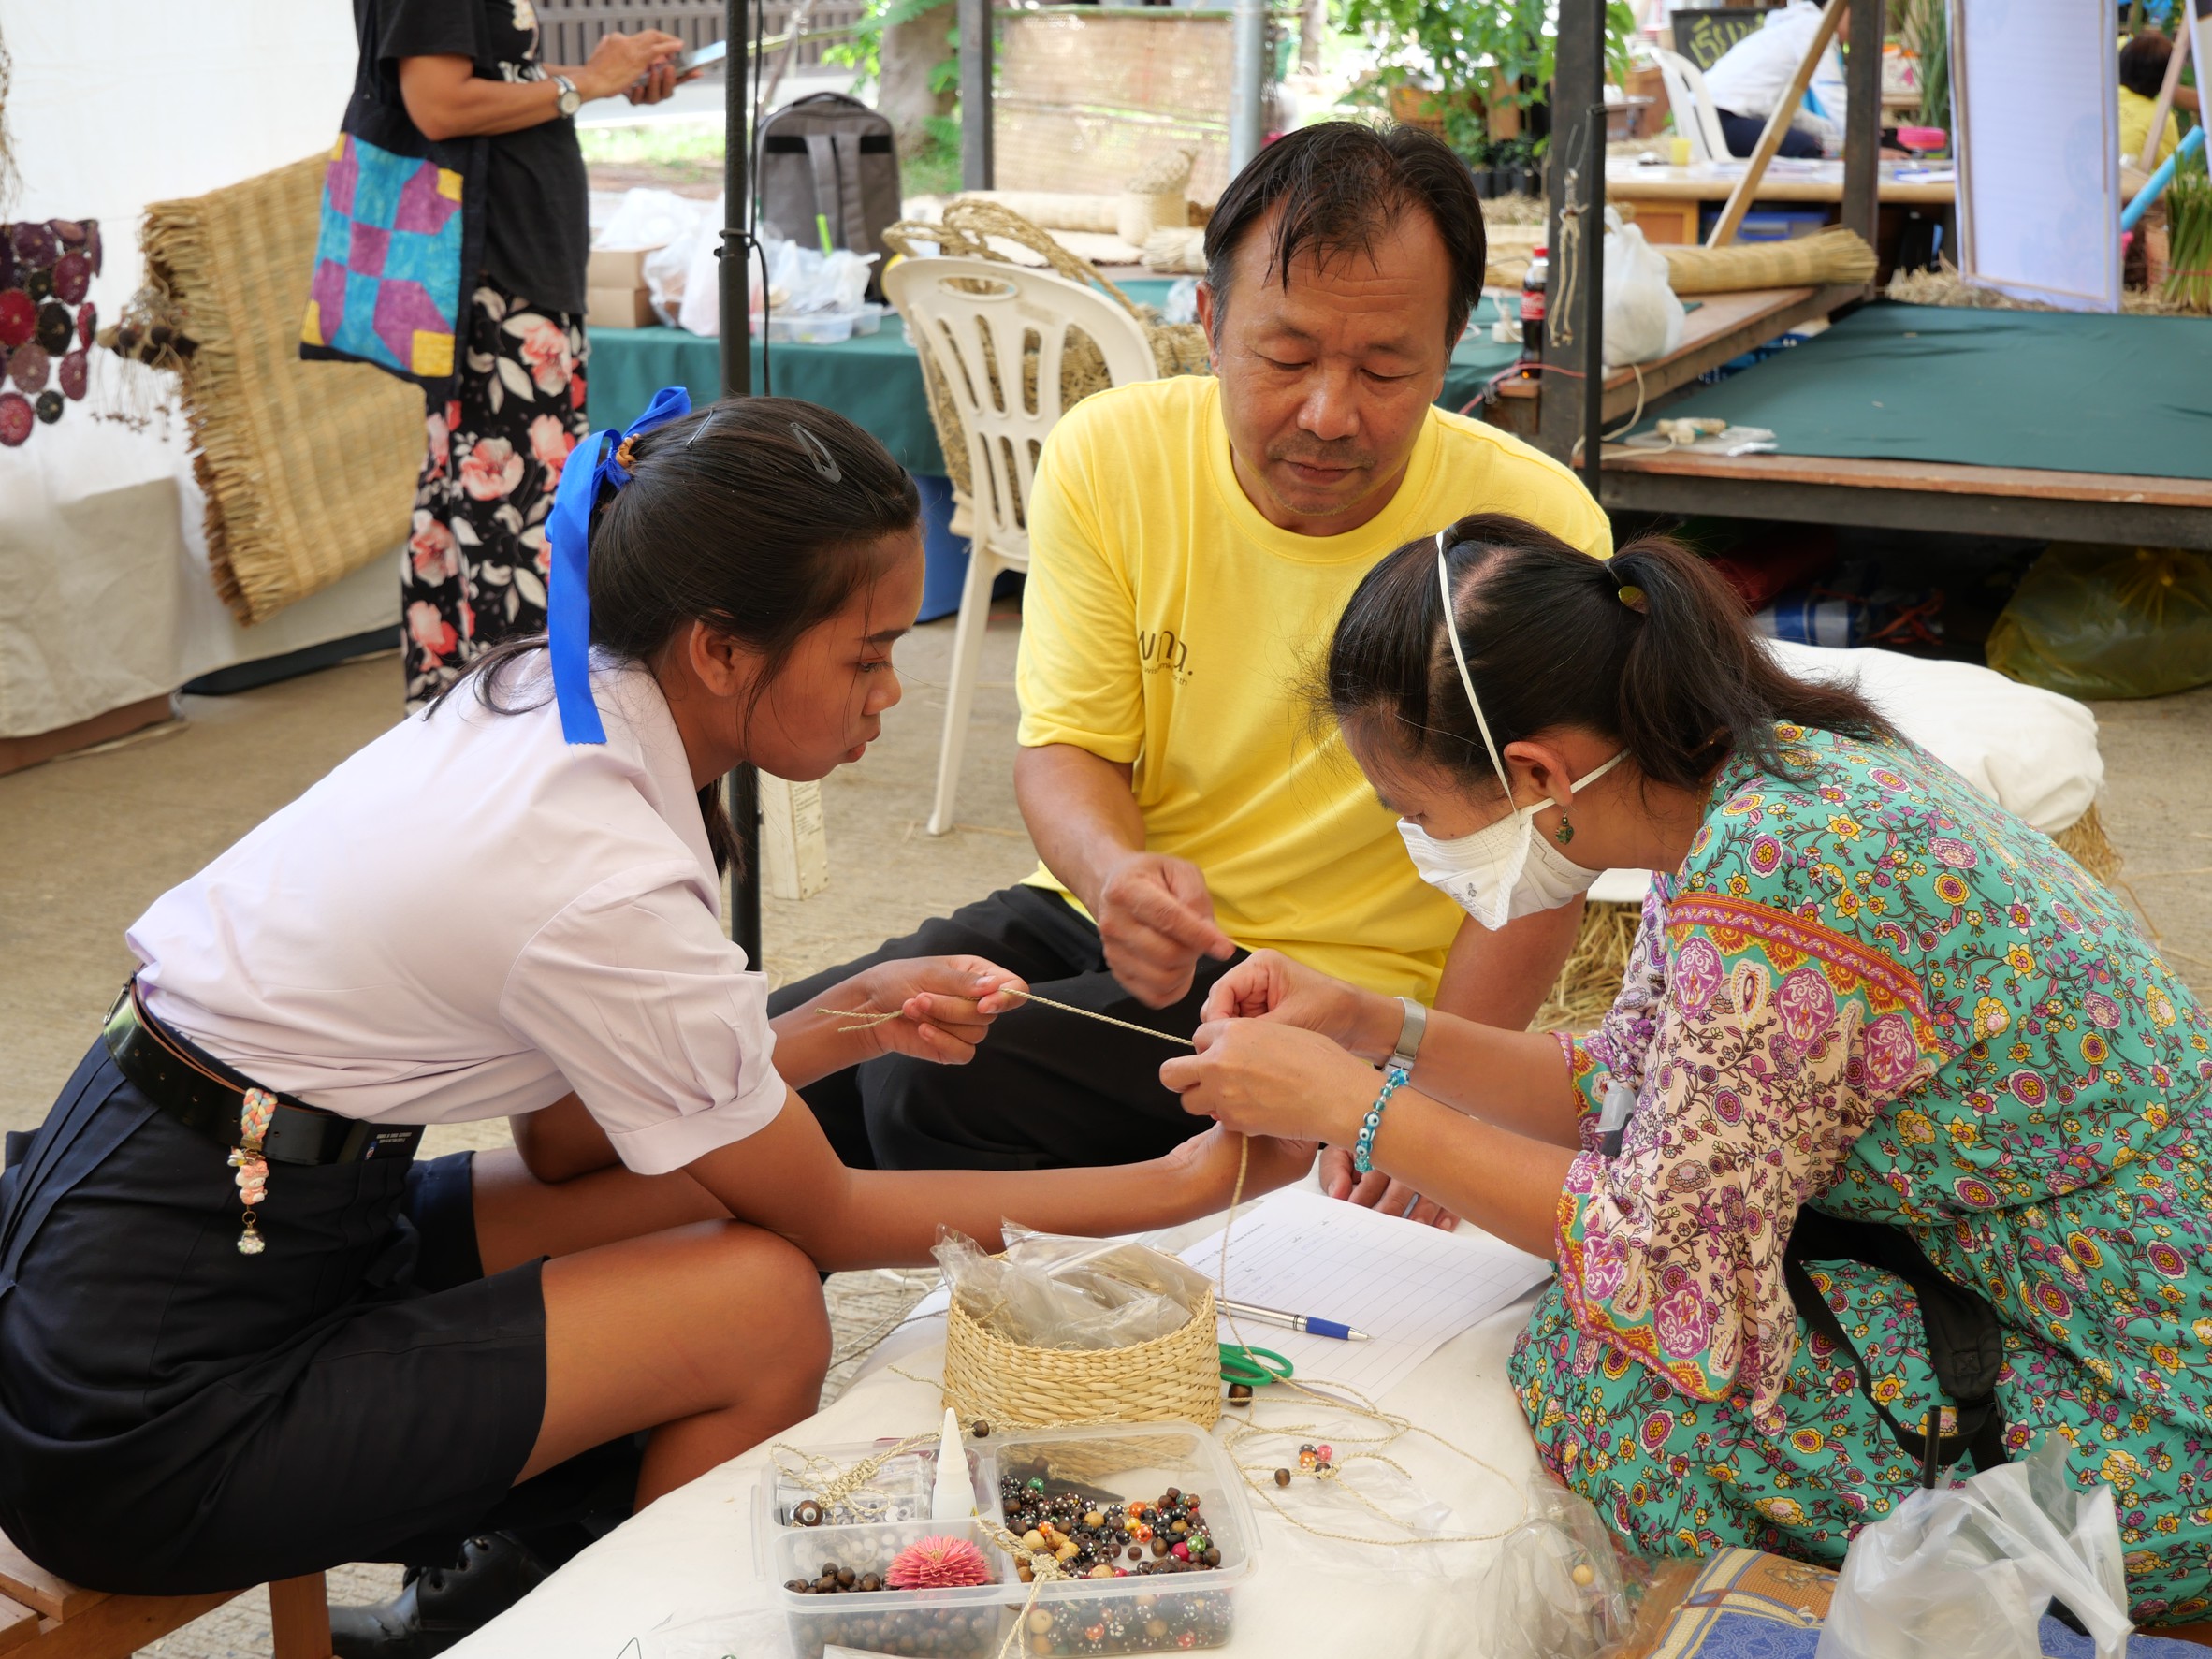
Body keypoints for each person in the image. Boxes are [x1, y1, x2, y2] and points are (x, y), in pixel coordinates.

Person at [0, 395, 1310, 1655]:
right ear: (722, 650)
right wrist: (1188, 1180)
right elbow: (832, 1218)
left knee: (698, 1224)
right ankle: (624, 1628)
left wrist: (840, 1021)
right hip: (145, 1401)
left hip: (194, 1223)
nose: (889, 696)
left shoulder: (549, 694)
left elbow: (574, 1140)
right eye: (868, 653)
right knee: (760, 1304)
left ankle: (533, 1582)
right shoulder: (606, 864)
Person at [1162, 515, 2212, 1621]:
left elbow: (1669, 1260)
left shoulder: (1785, 873)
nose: (1419, 847)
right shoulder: (1753, 786)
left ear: (1534, 775)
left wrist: (1358, 1110)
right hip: (2102, 1302)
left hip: (2157, 1397)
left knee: (1614, 1394)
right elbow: (1632, 1087)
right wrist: (1380, 1027)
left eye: (1416, 815)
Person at [770, 123, 1610, 1225]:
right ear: (1207, 322)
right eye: (1288, 356)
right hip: (1106, 916)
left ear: (1454, 347)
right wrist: (1118, 877)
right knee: (783, 1054)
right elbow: (1067, 745)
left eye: (1386, 367)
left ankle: (1076, 1319)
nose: (1328, 413)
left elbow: (1550, 851)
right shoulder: (1111, 454)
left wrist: (1431, 1095)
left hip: (1333, 1000)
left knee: (924, 1086)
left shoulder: (1527, 527)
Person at [352, 0, 689, 706]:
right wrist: (584, 87)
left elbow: (493, 76)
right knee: (517, 523)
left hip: (506, 272)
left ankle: (456, 734)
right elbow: (438, 103)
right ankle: (515, 727)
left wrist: (604, 75)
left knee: (463, 517)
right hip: (493, 278)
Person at [1702, 0, 1853, 159]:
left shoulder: (1790, 26)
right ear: (1835, 8)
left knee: (1811, 144)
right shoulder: (1813, 26)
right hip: (1720, 117)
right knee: (1805, 148)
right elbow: (1831, 91)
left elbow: (1788, 115)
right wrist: (1862, 142)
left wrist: (1832, 132)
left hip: (1708, 114)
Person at [2119, 31, 2196, 168]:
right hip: (2127, 188)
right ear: (2168, 79)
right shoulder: (2162, 118)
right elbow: (2172, 172)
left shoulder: (2106, 98)